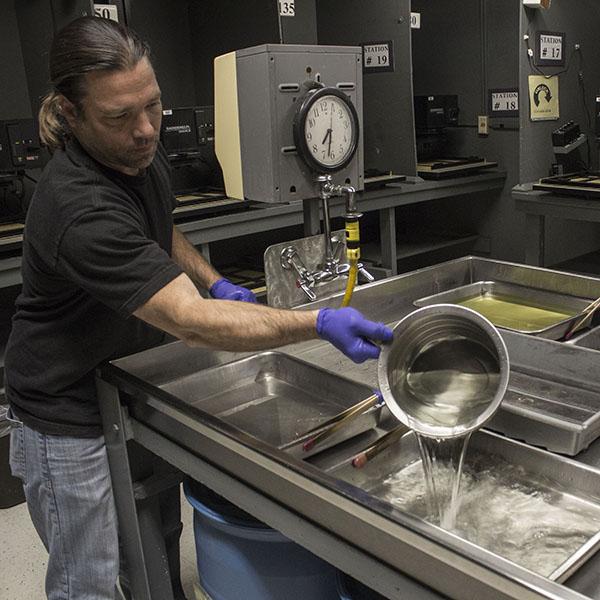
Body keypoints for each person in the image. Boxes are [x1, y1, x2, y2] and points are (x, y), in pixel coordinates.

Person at [4, 15, 392, 600]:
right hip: (65, 410)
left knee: (155, 536)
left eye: (153, 107)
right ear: (70, 113)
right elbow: (188, 322)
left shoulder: (137, 153)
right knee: (88, 578)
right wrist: (315, 322)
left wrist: (213, 280)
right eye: (119, 117)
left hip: (129, 379)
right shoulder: (78, 209)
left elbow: (158, 232)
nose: (145, 131)